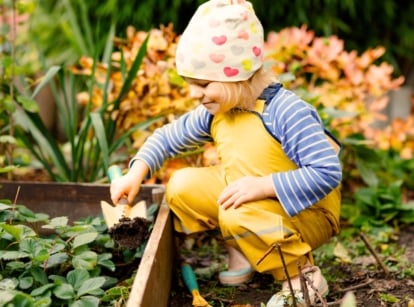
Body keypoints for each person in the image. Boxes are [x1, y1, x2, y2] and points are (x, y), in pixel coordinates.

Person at [110, 0, 342, 305]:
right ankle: (245, 249)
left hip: (306, 212)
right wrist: (136, 172)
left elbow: (326, 172)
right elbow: (168, 137)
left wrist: (262, 186)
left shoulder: (286, 111)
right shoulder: (218, 109)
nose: (194, 93)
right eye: (191, 84)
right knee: (181, 187)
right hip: (253, 200)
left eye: (203, 83)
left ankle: (301, 277)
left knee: (237, 211)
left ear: (240, 75)